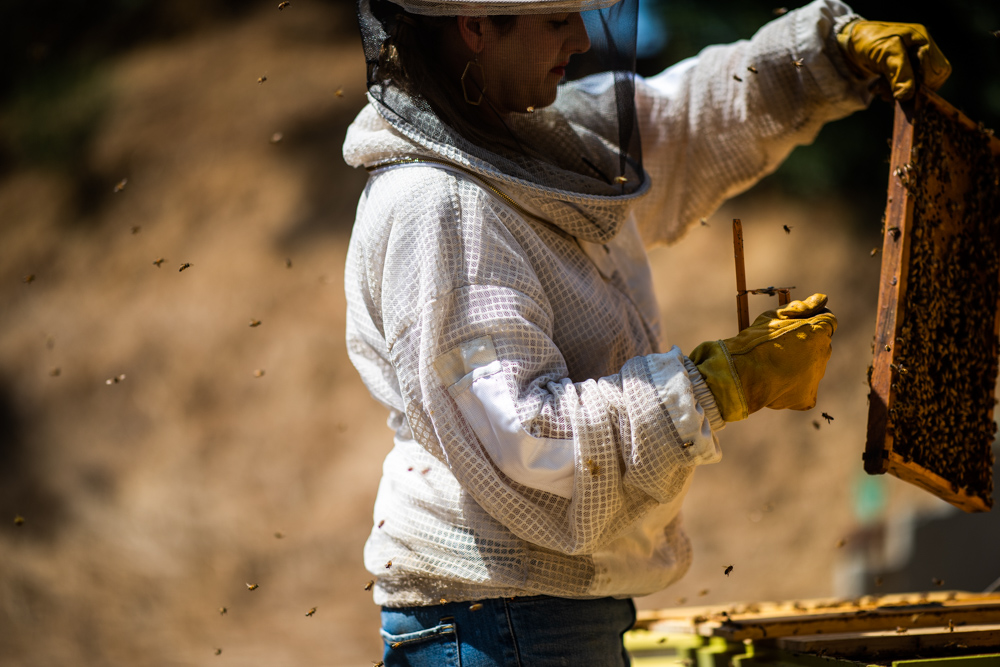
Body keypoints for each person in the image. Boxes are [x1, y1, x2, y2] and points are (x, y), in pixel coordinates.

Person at [342, 0, 949, 664]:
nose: (578, 37)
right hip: (498, 621)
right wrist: (714, 387)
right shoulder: (440, 208)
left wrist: (825, 57)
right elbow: (526, 440)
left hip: (537, 612)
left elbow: (685, 121)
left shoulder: (536, 144)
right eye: (555, 20)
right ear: (477, 26)